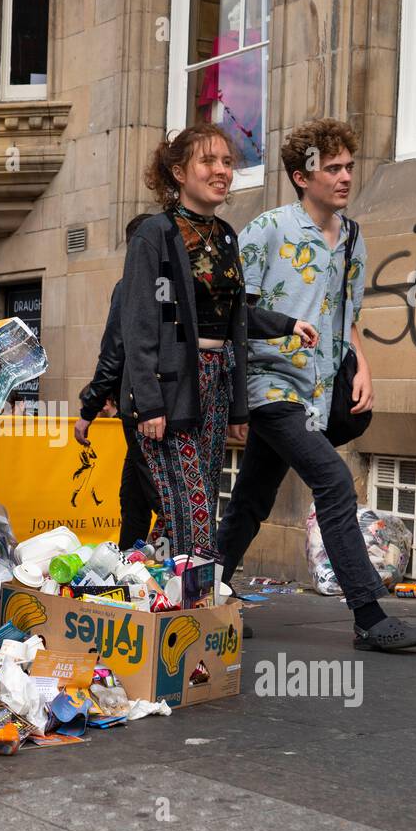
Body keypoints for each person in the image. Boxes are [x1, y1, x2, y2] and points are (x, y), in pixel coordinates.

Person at [217, 118, 416, 652]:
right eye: (331, 168)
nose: (344, 177)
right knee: (333, 482)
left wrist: (363, 364)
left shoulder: (353, 236)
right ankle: (368, 615)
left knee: (253, 496)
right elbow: (230, 316)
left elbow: (346, 313)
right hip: (268, 386)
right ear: (300, 176)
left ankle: (206, 594)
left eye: (348, 167)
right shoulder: (267, 230)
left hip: (317, 388)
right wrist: (234, 403)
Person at [118, 123, 317, 559]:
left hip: (216, 380)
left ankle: (174, 595)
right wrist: (149, 402)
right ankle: (201, 603)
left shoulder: (226, 234)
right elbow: (138, 322)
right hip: (171, 385)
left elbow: (235, 318)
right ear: (178, 172)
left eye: (227, 162)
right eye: (208, 161)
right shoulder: (156, 234)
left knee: (200, 495)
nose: (222, 170)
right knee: (191, 507)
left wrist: (287, 325)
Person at [76, 214, 165, 549]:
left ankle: (190, 577)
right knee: (134, 496)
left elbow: (113, 352)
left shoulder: (129, 285)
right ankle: (130, 562)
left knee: (161, 498)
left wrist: (89, 411)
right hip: (171, 404)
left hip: (142, 408)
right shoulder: (175, 284)